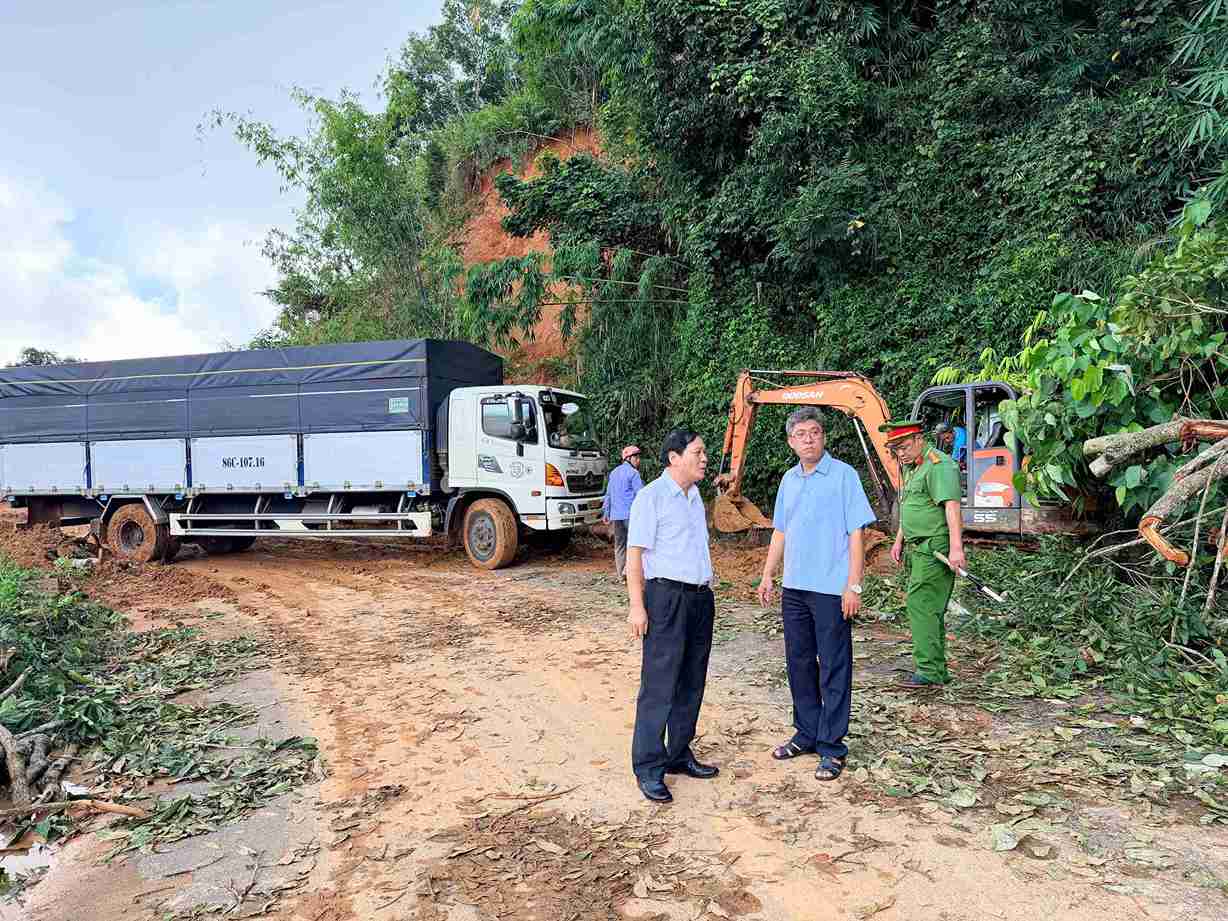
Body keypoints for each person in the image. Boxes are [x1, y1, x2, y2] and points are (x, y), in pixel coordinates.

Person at [757, 408, 876, 781]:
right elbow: (780, 531)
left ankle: (831, 746)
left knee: (835, 666)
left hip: (830, 589)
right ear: (791, 442)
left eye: (815, 432)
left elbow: (855, 533)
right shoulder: (788, 481)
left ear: (824, 437)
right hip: (794, 588)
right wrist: (767, 574)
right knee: (800, 663)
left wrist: (853, 584)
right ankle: (806, 733)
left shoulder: (844, 475)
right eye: (801, 434)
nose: (809, 439)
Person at [626, 429, 718, 803]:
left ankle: (679, 753)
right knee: (660, 685)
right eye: (697, 452)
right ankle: (649, 766)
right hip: (665, 598)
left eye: (704, 451)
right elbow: (634, 557)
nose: (704, 458)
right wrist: (637, 606)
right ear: (673, 458)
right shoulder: (651, 498)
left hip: (699, 599)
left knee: (692, 680)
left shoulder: (695, 497)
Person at [882, 419, 966, 687]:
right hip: (918, 547)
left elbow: (951, 507)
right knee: (928, 608)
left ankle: (929, 672)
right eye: (896, 450)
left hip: (934, 548)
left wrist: (956, 549)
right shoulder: (911, 466)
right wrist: (899, 541)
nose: (901, 454)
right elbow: (912, 506)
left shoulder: (938, 465)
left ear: (919, 439)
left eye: (905, 447)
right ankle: (936, 671)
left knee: (922, 606)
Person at [602, 445, 644, 579]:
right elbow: (641, 494)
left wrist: (606, 513)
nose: (638, 461)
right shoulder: (634, 474)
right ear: (629, 458)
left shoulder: (614, 473)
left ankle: (621, 575)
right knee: (634, 544)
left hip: (616, 516)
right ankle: (628, 571)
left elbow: (608, 495)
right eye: (637, 458)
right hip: (630, 515)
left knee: (619, 545)